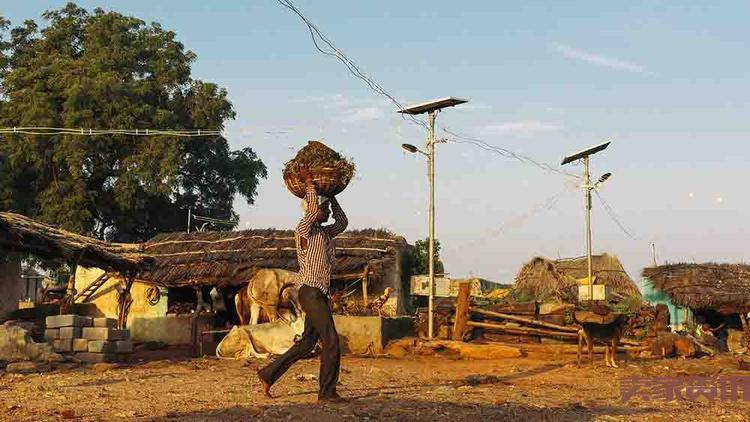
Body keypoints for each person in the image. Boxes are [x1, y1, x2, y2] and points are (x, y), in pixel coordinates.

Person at [257, 169, 348, 402]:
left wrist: (332, 197)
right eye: (324, 209)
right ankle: (327, 393)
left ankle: (268, 374)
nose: (327, 213)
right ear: (314, 209)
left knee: (307, 344)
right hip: (311, 293)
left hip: (318, 295)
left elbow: (343, 221)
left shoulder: (326, 234)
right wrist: (310, 184)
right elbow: (311, 211)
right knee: (332, 341)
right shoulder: (304, 231)